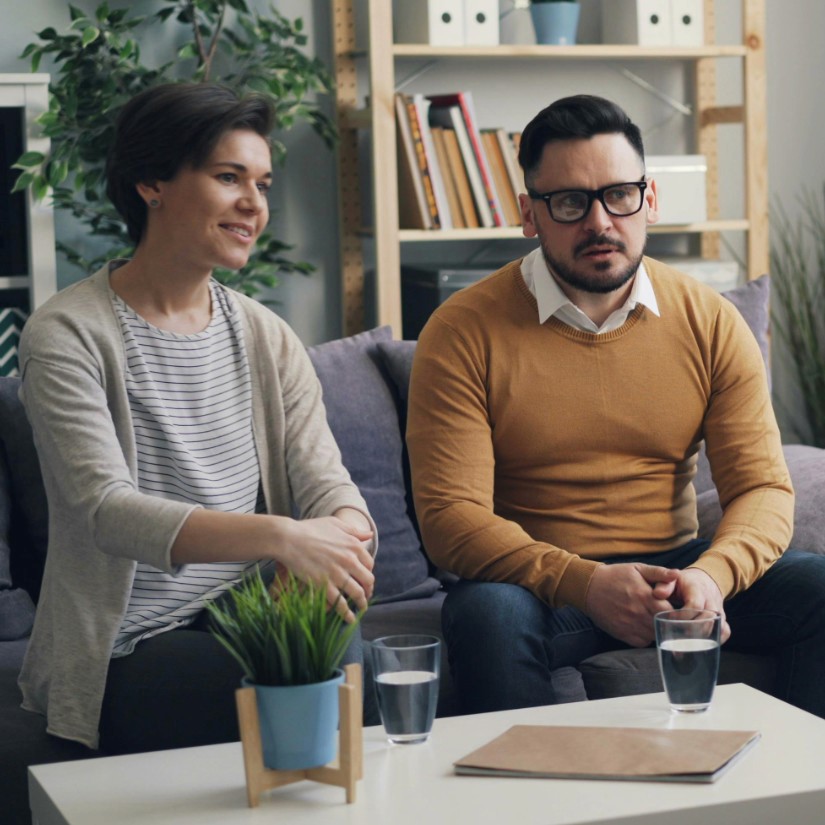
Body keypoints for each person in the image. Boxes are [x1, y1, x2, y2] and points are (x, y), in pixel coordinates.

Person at [407, 94, 825, 718]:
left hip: (678, 570)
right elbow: (450, 517)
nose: (600, 222)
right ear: (530, 214)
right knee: (486, 613)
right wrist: (584, 582)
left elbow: (764, 488)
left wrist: (711, 578)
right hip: (539, 584)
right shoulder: (463, 329)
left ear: (649, 199)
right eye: (570, 202)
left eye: (620, 195)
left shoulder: (711, 321)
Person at [17, 82, 377, 754]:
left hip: (249, 610)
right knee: (289, 678)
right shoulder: (66, 332)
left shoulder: (266, 336)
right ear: (152, 182)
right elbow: (105, 509)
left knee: (332, 630)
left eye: (262, 183)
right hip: (129, 639)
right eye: (228, 177)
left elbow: (330, 485)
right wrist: (281, 538)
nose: (254, 204)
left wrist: (340, 540)